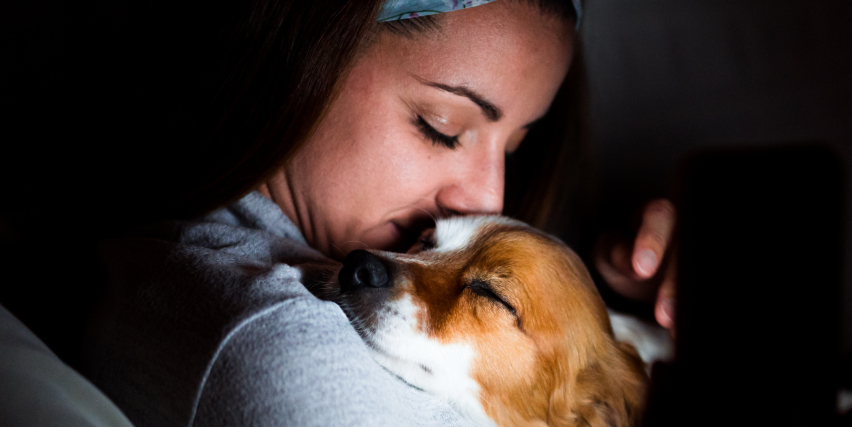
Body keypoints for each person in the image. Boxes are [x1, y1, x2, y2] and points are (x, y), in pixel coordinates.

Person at [73, 0, 676, 425]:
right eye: (441, 127)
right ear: (308, 53)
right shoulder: (282, 346)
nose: (490, 201)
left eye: (515, 149)